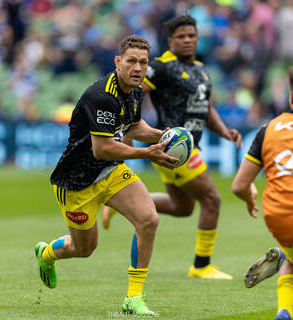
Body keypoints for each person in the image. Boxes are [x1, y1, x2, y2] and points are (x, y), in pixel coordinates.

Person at [34, 34, 179, 316]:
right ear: (118, 62)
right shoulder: (101, 96)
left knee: (148, 219)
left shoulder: (134, 89)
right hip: (77, 183)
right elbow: (103, 148)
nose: (138, 68)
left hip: (110, 172)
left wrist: (164, 136)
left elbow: (134, 127)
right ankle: (47, 253)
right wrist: (148, 153)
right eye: (132, 61)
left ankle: (133, 298)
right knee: (84, 248)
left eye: (143, 62)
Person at [102, 15, 242, 280]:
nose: (188, 40)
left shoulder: (201, 69)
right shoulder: (162, 67)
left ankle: (119, 202)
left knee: (183, 208)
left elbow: (206, 108)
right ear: (170, 41)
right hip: (173, 146)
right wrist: (129, 126)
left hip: (190, 147)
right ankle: (201, 265)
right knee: (212, 200)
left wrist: (225, 131)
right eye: (181, 37)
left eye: (192, 36)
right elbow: (133, 91)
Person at [232, 67, 293, 320]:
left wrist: (249, 197)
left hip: (278, 216)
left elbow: (238, 186)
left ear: (291, 97)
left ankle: (285, 311)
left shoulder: (269, 129)